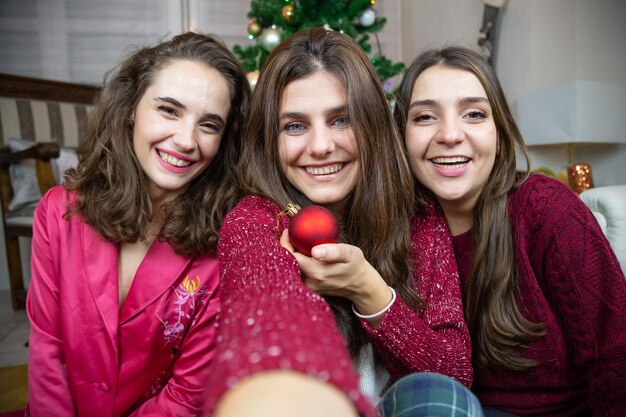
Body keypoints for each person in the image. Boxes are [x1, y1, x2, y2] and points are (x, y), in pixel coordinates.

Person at [206, 27, 477, 417]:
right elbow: (267, 314)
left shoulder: (417, 215)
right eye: (295, 126)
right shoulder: (255, 220)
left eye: (341, 120)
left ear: (372, 125)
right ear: (270, 138)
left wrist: (370, 292)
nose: (320, 146)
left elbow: (453, 373)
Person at [26, 31, 250, 416]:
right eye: (168, 110)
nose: (185, 140)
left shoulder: (225, 248)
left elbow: (186, 396)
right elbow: (48, 350)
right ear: (132, 108)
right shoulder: (57, 212)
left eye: (209, 125)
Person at [394, 45, 626, 417]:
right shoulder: (399, 229)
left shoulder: (546, 210)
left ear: (498, 131)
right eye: (425, 117)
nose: (450, 134)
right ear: (401, 136)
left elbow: (616, 356)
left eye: (474, 114)